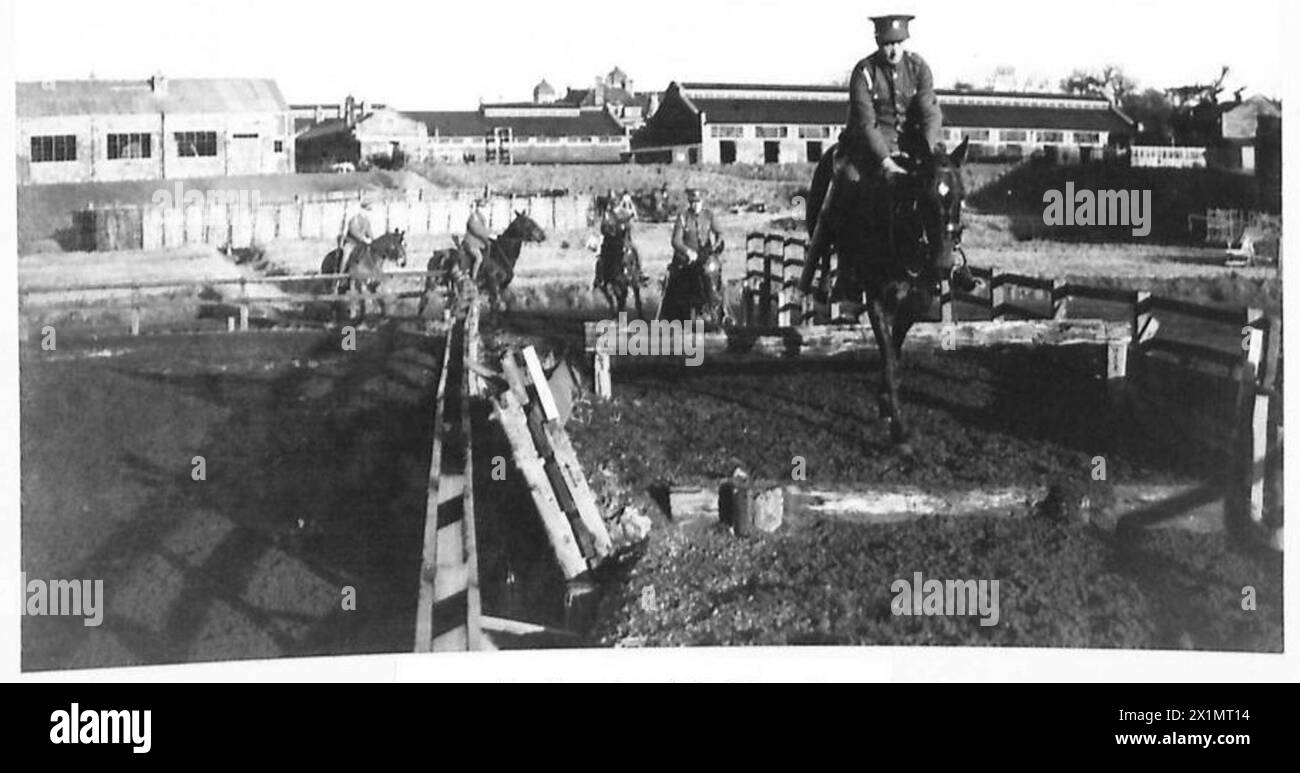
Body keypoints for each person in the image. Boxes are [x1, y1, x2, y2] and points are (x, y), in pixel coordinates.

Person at [802, 13, 944, 293]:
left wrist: (927, 151)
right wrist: (886, 162)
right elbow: (866, 123)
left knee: (941, 187)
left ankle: (942, 262)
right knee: (846, 182)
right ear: (878, 43)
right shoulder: (864, 71)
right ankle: (828, 268)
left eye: (898, 43)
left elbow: (930, 111)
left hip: (911, 148)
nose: (893, 50)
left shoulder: (919, 68)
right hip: (867, 150)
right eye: (887, 45)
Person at [339, 196, 376, 279]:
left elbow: (370, 233)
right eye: (366, 210)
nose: (367, 213)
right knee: (346, 255)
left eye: (368, 211)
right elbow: (353, 232)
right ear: (362, 210)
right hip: (351, 243)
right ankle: (340, 276)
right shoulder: (354, 219)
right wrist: (364, 239)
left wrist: (374, 241)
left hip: (362, 244)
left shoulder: (367, 221)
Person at [463, 196, 494, 279]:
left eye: (483, 207)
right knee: (479, 258)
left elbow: (483, 230)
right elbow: (477, 230)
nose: (483, 209)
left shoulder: (481, 218)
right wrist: (488, 233)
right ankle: (474, 277)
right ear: (477, 207)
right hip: (471, 243)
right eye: (481, 207)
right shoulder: (474, 217)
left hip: (479, 244)